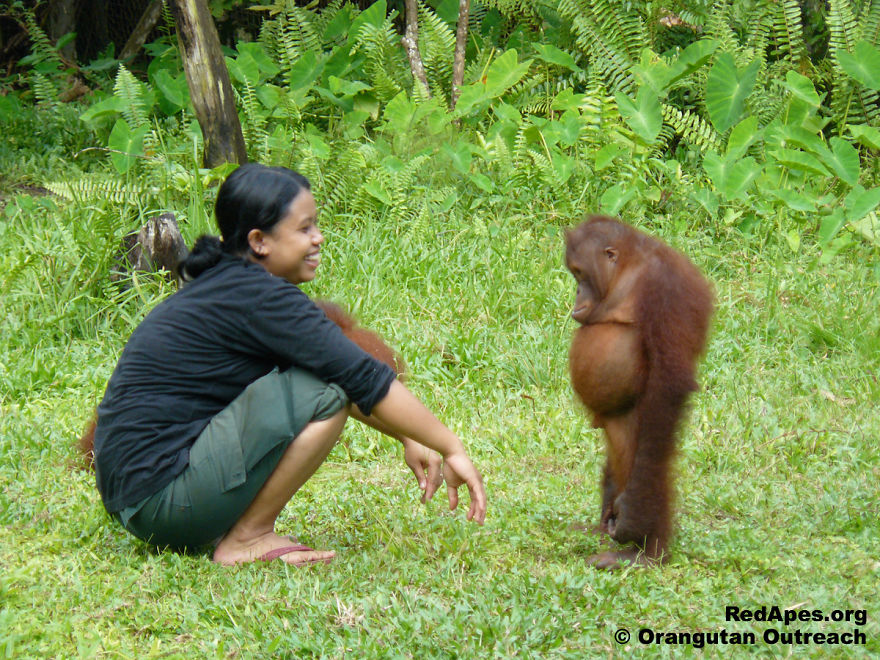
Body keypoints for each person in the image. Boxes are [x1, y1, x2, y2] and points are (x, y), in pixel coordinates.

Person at [93, 163, 487, 566]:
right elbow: (358, 376)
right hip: (163, 503)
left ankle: (240, 529)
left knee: (327, 379)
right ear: (259, 241)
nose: (318, 239)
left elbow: (345, 372)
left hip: (139, 499)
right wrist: (450, 446)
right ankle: (247, 538)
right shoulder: (261, 297)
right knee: (328, 388)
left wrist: (407, 436)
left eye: (316, 226)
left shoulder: (230, 284)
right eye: (304, 229)